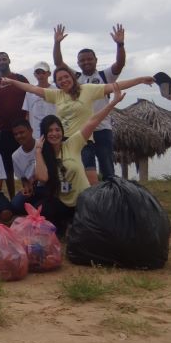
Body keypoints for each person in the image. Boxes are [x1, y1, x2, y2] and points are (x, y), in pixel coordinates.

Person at [1, 68, 154, 184]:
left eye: (66, 77)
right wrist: (13, 82)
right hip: (62, 144)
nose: (63, 81)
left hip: (83, 142)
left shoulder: (87, 90)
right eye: (59, 79)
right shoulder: (57, 94)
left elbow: (115, 85)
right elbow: (32, 89)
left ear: (73, 77)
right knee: (65, 180)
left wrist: (140, 80)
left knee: (91, 180)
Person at [34, 85, 126, 234]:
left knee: (94, 230)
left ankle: (73, 223)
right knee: (42, 208)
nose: (54, 134)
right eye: (49, 131)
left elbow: (92, 122)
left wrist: (113, 102)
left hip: (82, 201)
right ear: (44, 134)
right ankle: (65, 224)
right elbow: (43, 177)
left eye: (57, 130)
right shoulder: (43, 154)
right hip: (62, 203)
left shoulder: (72, 144)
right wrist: (38, 151)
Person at [53, 23, 126, 182]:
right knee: (84, 168)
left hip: (102, 129)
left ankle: (111, 197)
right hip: (82, 132)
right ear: (78, 63)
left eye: (89, 59)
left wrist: (120, 45)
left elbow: (119, 64)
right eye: (82, 60)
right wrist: (57, 43)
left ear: (95, 60)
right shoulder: (75, 78)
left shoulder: (105, 76)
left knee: (107, 168)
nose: (86, 62)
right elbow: (59, 64)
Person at [0, 52, 28, 198]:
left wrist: (28, 121)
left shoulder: (20, 79)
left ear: (9, 60)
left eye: (4, 59)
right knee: (7, 167)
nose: (2, 62)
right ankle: (12, 197)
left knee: (25, 163)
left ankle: (28, 194)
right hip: (3, 130)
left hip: (22, 129)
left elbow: (30, 98)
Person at [9, 120, 47, 215]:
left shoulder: (42, 145)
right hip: (33, 189)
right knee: (14, 205)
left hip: (47, 186)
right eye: (16, 134)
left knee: (39, 209)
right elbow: (23, 178)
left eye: (22, 132)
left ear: (31, 130)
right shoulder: (15, 155)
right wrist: (26, 187)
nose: (19, 136)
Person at [22, 62, 57, 138]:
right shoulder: (29, 92)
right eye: (38, 73)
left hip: (53, 132)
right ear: (34, 74)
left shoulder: (56, 90)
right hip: (35, 133)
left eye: (43, 72)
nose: (40, 75)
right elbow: (27, 115)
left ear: (49, 73)